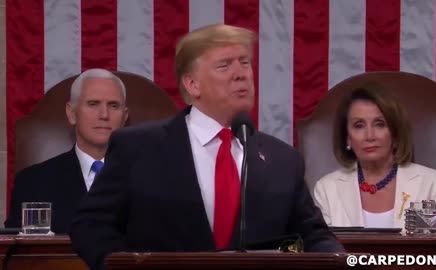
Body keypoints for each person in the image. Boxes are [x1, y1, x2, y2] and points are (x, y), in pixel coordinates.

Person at [69, 23, 344, 270]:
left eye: (245, 63)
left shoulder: (283, 160)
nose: (241, 74)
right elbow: (91, 226)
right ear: (192, 84)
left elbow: (314, 236)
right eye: (225, 65)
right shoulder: (138, 148)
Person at [4, 68, 129, 234]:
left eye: (113, 105)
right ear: (72, 114)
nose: (104, 114)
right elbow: (18, 256)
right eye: (93, 104)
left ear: (124, 117)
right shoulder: (32, 183)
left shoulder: (152, 179)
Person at [313, 84, 436, 229]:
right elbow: (322, 248)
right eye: (359, 125)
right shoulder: (327, 189)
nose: (370, 136)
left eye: (380, 124)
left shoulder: (432, 184)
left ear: (395, 132)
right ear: (347, 137)